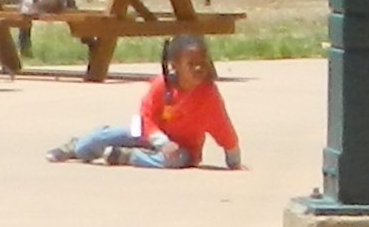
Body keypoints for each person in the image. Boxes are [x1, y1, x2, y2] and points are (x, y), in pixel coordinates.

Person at [50, 36, 244, 171]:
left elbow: (221, 125)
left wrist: (233, 158)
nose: (199, 68)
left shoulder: (207, 93)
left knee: (178, 160)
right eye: (191, 64)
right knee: (100, 138)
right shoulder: (161, 85)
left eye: (202, 62)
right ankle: (76, 146)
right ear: (175, 65)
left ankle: (127, 156)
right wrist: (162, 142)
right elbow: (145, 117)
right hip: (148, 135)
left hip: (183, 148)